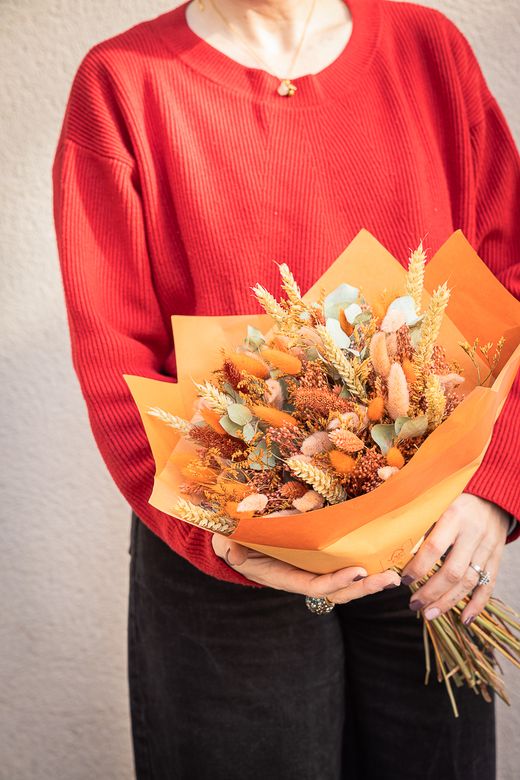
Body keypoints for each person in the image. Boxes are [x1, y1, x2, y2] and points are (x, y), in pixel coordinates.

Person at [52, 0, 520, 777]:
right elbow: (115, 358)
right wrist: (220, 539)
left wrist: (496, 484)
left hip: (434, 529)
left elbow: (511, 278)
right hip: (224, 548)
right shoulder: (123, 84)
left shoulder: (426, 49)